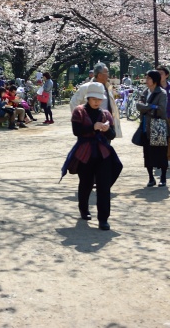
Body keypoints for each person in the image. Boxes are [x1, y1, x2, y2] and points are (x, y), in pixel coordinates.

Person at [70, 82, 121, 230]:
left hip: (102, 153)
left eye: (99, 99)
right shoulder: (79, 111)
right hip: (85, 152)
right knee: (85, 183)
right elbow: (77, 131)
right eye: (94, 99)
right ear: (88, 98)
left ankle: (103, 218)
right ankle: (83, 208)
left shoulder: (105, 113)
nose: (97, 102)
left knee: (104, 186)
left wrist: (106, 129)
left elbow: (112, 134)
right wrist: (93, 127)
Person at [137, 70, 170, 187]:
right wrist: (151, 107)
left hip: (158, 127)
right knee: (148, 154)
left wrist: (146, 107)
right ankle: (151, 178)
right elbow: (138, 105)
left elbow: (161, 109)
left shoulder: (162, 93)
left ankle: (163, 178)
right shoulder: (145, 92)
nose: (146, 80)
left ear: (154, 80)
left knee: (161, 153)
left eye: (149, 78)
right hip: (146, 127)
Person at [70, 63, 122, 136]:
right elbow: (73, 103)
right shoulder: (86, 87)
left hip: (105, 126)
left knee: (104, 145)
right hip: (89, 129)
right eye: (107, 73)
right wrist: (80, 119)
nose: (108, 75)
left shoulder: (107, 86)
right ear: (100, 75)